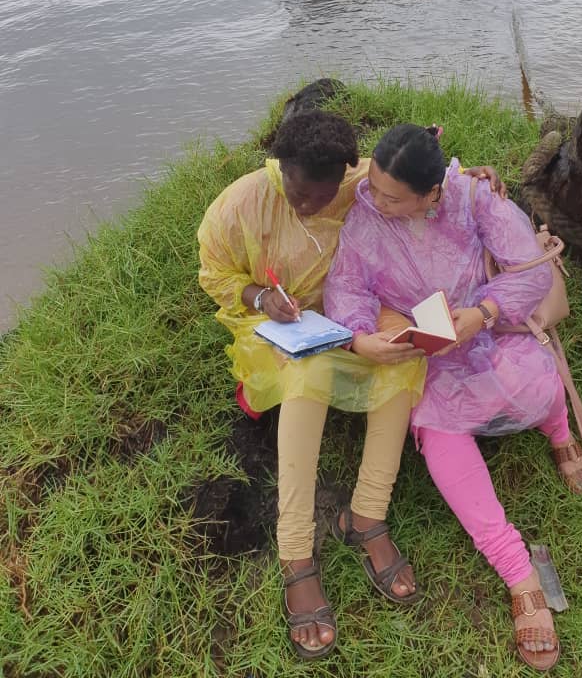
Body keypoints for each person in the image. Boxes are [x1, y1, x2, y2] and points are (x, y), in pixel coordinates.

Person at [197, 109, 506, 661]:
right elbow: (216, 274)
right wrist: (258, 297)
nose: (309, 205)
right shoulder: (241, 203)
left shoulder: (356, 182)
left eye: (320, 195)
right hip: (277, 333)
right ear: (280, 168)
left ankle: (366, 514)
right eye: (297, 192)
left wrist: (469, 178)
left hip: (348, 318)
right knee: (311, 370)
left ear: (342, 174)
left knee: (406, 358)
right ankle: (295, 551)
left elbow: (416, 171)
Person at [324, 124, 582, 673]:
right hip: (428, 354)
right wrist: (362, 338)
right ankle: (518, 573)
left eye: (392, 196)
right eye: (374, 187)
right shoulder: (364, 215)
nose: (375, 201)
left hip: (490, 330)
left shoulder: (472, 195)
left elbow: (530, 272)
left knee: (537, 384)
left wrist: (483, 314)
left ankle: (561, 436)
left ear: (432, 194)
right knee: (438, 434)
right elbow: (346, 288)